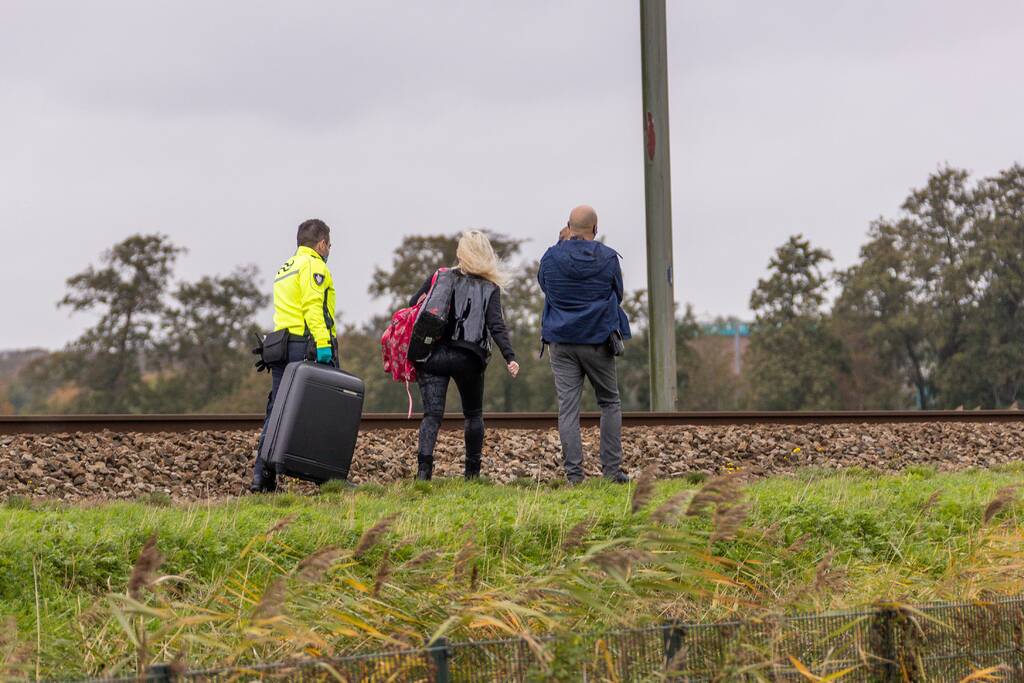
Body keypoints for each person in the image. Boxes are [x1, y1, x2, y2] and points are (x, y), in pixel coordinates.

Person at [410, 230, 519, 481]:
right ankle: (472, 475)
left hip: (433, 355)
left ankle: (423, 474)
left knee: (432, 416)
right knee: (473, 415)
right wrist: (509, 357)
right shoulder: (490, 287)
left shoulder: (441, 277)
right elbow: (496, 325)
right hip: (469, 359)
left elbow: (414, 303)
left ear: (461, 252)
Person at [539, 205, 631, 485]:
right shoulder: (608, 257)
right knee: (610, 402)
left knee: (568, 409)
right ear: (595, 228)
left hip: (561, 341)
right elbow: (619, 294)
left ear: (568, 226)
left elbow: (545, 285)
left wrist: (560, 242)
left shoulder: (551, 257)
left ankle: (575, 476)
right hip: (597, 340)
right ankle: (612, 472)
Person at [250, 218, 340, 493]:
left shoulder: (286, 266)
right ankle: (329, 477)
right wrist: (324, 343)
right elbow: (313, 307)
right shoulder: (314, 265)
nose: (329, 250)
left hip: (281, 345)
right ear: (322, 243)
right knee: (327, 410)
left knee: (276, 412)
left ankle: (262, 479)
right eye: (330, 245)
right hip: (306, 344)